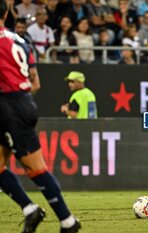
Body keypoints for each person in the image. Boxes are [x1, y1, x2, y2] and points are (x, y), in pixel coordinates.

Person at [0, 1, 81, 232]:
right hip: (22, 100)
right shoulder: (21, 41)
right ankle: (30, 209)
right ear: (6, 13)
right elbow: (35, 82)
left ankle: (67, 221)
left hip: (9, 106)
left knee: (35, 168)